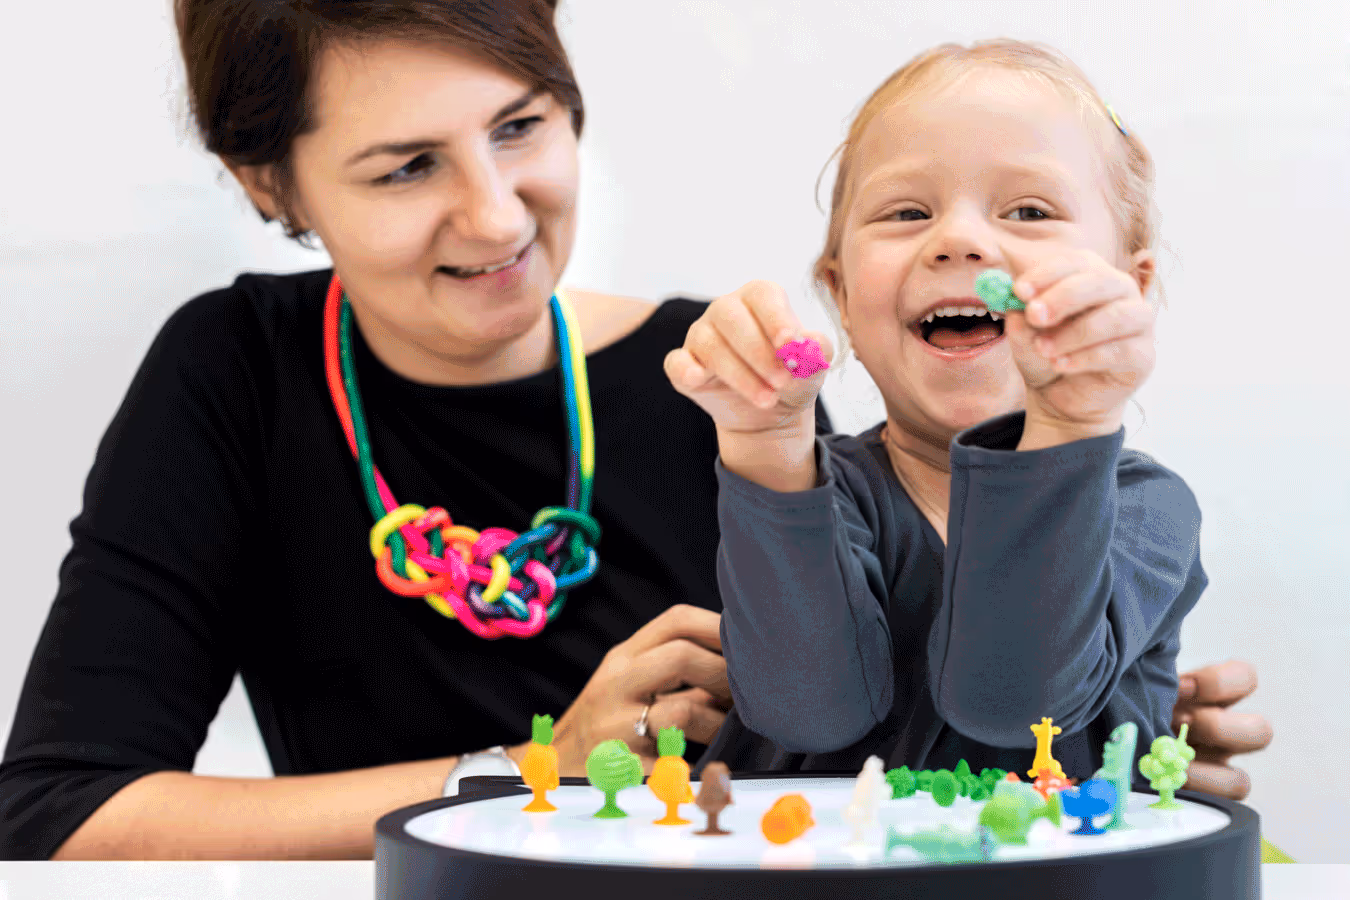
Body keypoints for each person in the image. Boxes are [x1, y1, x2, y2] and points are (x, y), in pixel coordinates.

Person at [0, 3, 1267, 861]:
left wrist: (1112, 729)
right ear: (266, 183)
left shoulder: (725, 386)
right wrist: (520, 765)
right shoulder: (240, 379)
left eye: (519, 128)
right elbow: (59, 814)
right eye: (404, 167)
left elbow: (887, 730)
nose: (496, 218)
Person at [668, 40, 1264, 787]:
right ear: (843, 298)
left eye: (1030, 210)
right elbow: (805, 711)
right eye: (907, 211)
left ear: (1129, 291)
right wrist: (763, 441)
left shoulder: (1147, 510)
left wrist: (1072, 420)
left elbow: (1019, 702)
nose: (958, 239)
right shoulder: (817, 489)